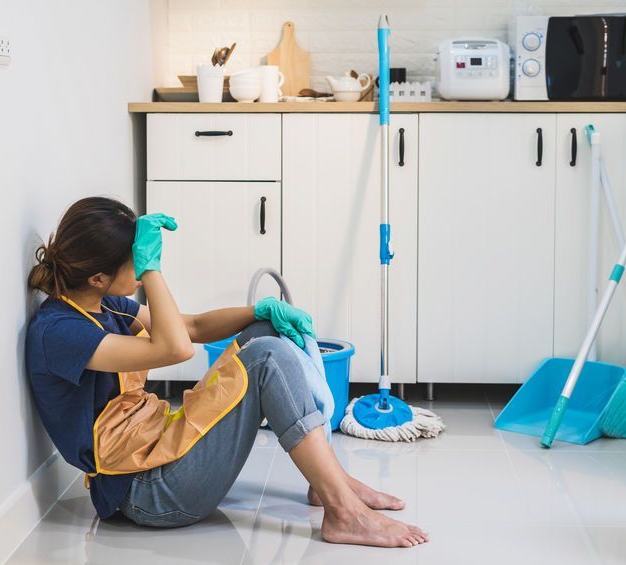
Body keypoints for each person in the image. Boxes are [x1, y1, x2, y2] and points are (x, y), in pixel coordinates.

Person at [25, 196, 428, 548]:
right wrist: (153, 272)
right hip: (145, 492)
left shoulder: (105, 303)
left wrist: (259, 311)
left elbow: (195, 327)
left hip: (157, 449)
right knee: (267, 357)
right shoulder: (61, 332)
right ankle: (344, 513)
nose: (143, 267)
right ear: (98, 277)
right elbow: (174, 348)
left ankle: (331, 484)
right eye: (137, 261)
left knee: (264, 332)